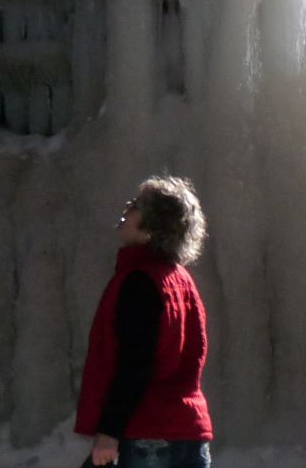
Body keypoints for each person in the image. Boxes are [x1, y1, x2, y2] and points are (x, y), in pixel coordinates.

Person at [76, 176, 212, 468]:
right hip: (190, 430)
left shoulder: (140, 280)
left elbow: (137, 363)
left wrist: (109, 433)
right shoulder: (182, 281)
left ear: (151, 229)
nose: (127, 208)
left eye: (136, 206)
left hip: (148, 436)